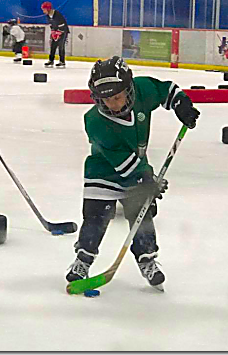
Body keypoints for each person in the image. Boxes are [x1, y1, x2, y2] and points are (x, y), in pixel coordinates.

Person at [65, 56, 200, 291]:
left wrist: (182, 104)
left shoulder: (142, 89)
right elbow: (122, 163)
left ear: (128, 90)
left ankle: (147, 260)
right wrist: (147, 178)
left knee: (142, 215)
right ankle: (83, 260)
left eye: (117, 97)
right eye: (106, 99)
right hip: (103, 171)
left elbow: (166, 90)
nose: (113, 104)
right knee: (96, 217)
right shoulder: (95, 121)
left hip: (137, 164)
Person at [41, 1, 69, 68]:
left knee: (61, 46)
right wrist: (53, 32)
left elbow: (62, 24)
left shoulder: (57, 14)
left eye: (44, 9)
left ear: (48, 9)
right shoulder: (48, 15)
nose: (43, 11)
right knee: (53, 46)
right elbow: (51, 24)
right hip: (56, 32)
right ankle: (51, 60)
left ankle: (62, 61)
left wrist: (58, 32)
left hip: (63, 32)